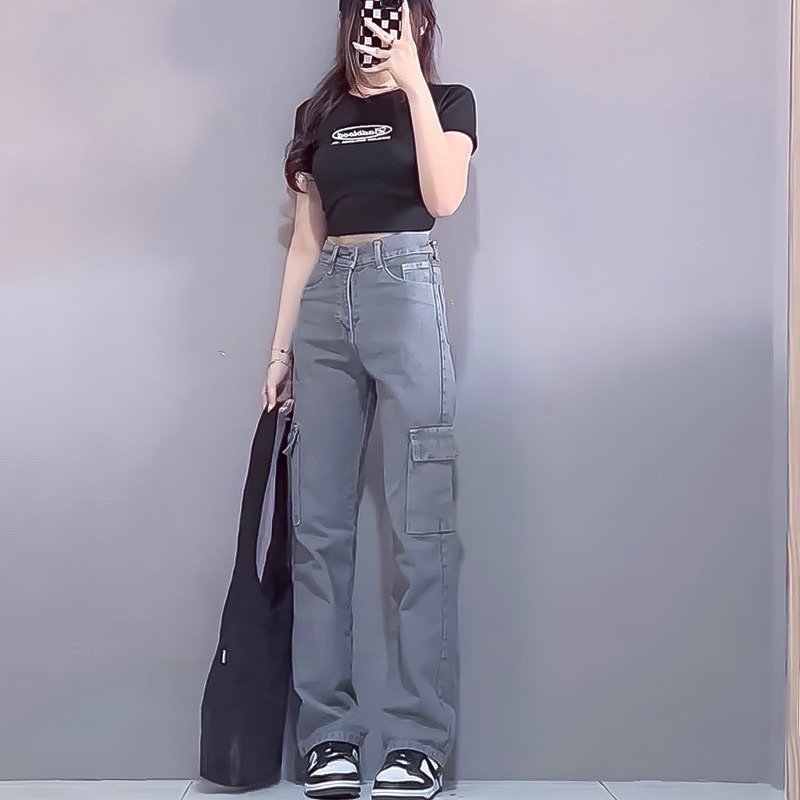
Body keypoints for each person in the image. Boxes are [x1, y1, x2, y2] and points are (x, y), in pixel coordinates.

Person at [264, 1, 476, 797]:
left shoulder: (449, 101)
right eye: (368, 7)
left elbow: (443, 198)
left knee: (422, 525)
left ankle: (418, 741)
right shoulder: (318, 111)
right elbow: (306, 241)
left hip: (405, 289)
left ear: (420, 22)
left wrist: (413, 83)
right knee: (317, 531)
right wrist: (280, 349)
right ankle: (328, 735)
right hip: (326, 303)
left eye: (400, 9)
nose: (380, 20)